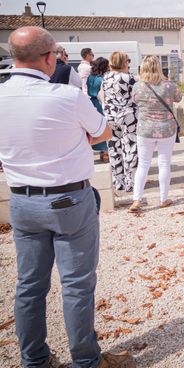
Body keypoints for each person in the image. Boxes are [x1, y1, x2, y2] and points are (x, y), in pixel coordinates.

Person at [0, 26, 134, 368]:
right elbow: (102, 131)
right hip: (68, 200)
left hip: (22, 200)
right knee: (76, 285)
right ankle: (87, 361)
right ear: (49, 58)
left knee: (29, 285)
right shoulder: (66, 96)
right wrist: (73, 141)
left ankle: (34, 360)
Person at [129, 56, 182, 212]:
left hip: (145, 129)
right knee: (164, 163)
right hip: (166, 128)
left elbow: (135, 101)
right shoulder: (169, 86)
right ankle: (163, 199)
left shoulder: (137, 86)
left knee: (143, 165)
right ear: (159, 67)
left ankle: (136, 200)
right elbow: (179, 97)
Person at [103, 51, 138, 192]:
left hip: (110, 116)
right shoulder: (129, 78)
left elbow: (103, 96)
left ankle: (118, 182)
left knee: (113, 148)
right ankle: (131, 182)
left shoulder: (105, 77)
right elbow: (135, 97)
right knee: (130, 148)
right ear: (124, 62)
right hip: (128, 116)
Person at [87, 57, 110, 163]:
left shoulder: (90, 77)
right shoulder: (102, 79)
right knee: (104, 127)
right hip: (101, 103)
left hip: (92, 103)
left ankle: (101, 152)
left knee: (97, 128)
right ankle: (105, 153)